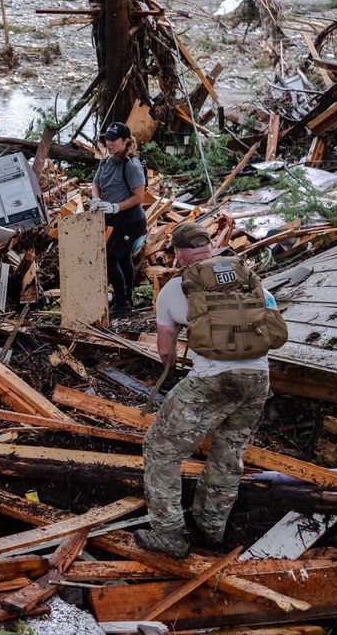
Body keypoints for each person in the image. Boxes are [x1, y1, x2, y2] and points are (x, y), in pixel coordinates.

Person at [136, 222, 284, 558]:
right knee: (227, 454)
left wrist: (175, 362)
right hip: (258, 379)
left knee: (160, 448)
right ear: (211, 248)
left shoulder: (176, 288)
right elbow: (271, 320)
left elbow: (164, 351)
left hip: (213, 379)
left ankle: (170, 532)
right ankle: (211, 528)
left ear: (177, 253)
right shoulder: (247, 277)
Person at [91, 121, 147, 319]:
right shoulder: (106, 161)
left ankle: (122, 302)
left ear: (125, 141)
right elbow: (96, 183)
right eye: (107, 139)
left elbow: (140, 197)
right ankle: (126, 298)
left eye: (113, 140)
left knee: (110, 258)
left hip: (131, 220)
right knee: (123, 258)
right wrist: (96, 198)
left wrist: (116, 206)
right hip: (115, 219)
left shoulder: (131, 165)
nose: (109, 143)